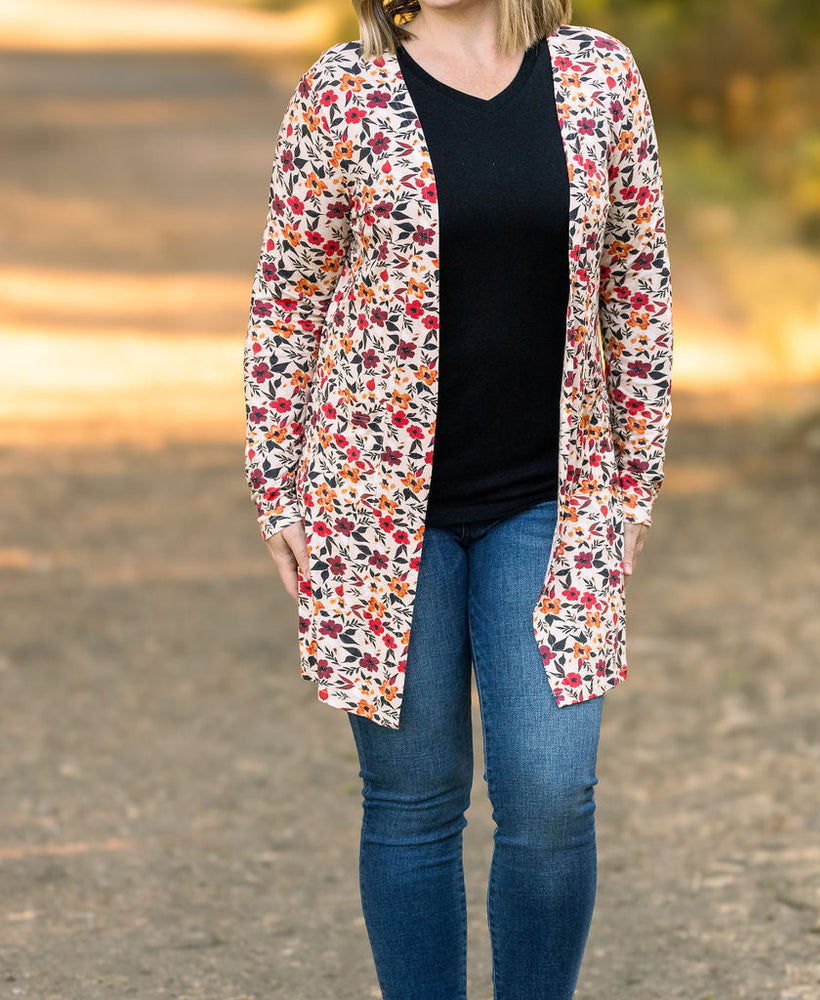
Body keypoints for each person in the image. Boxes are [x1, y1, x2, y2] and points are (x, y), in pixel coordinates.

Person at [242, 0, 673, 996]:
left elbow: (636, 284)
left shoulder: (601, 79)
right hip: (372, 508)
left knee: (551, 796)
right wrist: (279, 490)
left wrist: (633, 488)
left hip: (550, 500)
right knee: (411, 802)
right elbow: (288, 293)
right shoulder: (340, 90)